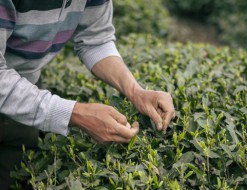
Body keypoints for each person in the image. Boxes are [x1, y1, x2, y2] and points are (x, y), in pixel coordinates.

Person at [0, 0, 175, 188]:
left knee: (13, 177)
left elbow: (95, 40)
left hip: (28, 86)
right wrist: (74, 113)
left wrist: (135, 91)